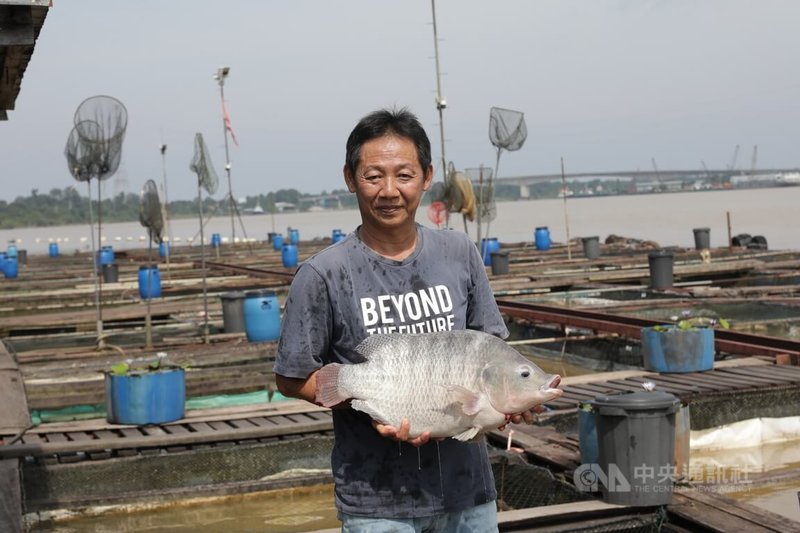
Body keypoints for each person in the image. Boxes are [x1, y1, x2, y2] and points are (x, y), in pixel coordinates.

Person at [275, 107, 535, 531]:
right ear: (350, 178)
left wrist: (512, 403)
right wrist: (376, 405)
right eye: (373, 176)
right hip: (376, 500)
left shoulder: (459, 253)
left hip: (466, 493)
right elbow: (291, 377)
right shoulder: (323, 274)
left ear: (427, 176)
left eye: (404, 175)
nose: (389, 190)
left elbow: (490, 354)